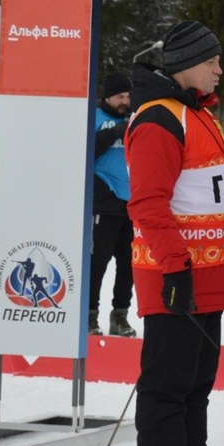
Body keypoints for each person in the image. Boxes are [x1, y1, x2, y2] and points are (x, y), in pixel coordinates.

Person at [125, 21, 224, 446]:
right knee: (168, 379)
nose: (219, 69)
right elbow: (148, 204)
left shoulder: (196, 113)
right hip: (176, 274)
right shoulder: (158, 119)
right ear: (185, 65)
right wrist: (175, 266)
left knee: (198, 379)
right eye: (211, 60)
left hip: (211, 272)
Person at [88, 70, 137, 337]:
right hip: (104, 205)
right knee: (97, 262)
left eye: (128, 96)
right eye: (120, 96)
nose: (125, 101)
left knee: (128, 264)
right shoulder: (94, 119)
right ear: (108, 97)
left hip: (131, 203)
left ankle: (120, 315)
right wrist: (115, 132)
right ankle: (89, 316)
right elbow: (86, 151)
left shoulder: (134, 120)